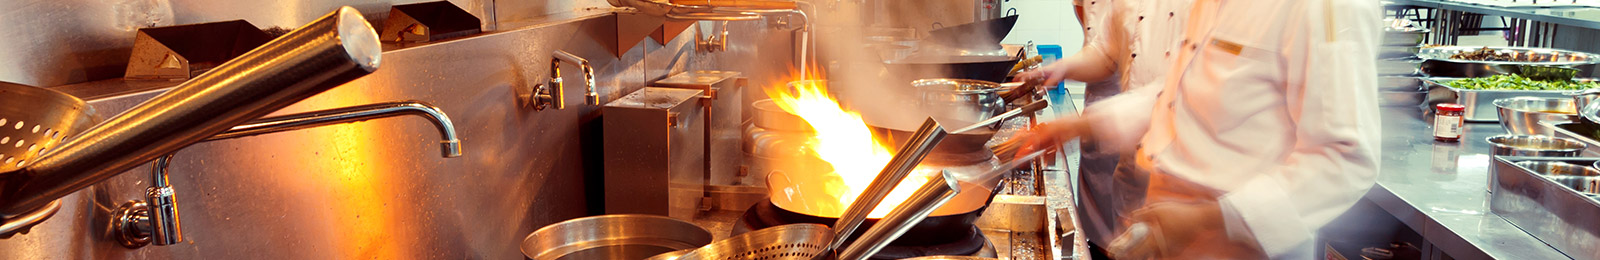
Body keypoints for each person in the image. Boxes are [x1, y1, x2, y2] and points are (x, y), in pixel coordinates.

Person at [1012, 0, 1384, 258]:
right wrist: (1076, 124)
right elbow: (1177, 91)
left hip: (1238, 246)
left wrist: (1210, 219)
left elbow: (1344, 157)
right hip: (1169, 229)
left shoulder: (1327, 7)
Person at [1028, 0, 1193, 255]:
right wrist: (1061, 68)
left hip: (1186, 187)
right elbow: (1106, 52)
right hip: (1132, 174)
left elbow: (1182, 95)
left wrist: (1082, 124)